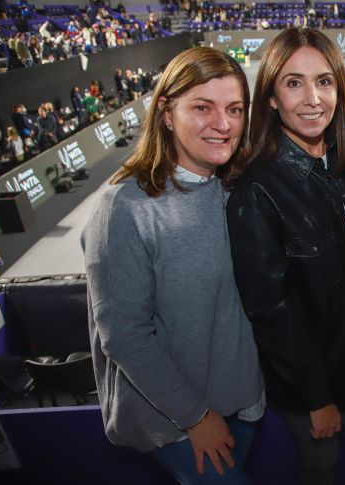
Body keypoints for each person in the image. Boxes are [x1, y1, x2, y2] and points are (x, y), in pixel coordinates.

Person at [82, 47, 265, 485]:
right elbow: (123, 335)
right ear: (166, 112)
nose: (222, 124)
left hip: (241, 402)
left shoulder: (234, 190)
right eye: (203, 107)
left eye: (234, 109)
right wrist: (195, 418)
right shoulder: (124, 206)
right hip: (178, 421)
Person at [225, 28, 345, 485]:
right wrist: (317, 396)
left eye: (324, 81)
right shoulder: (256, 189)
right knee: (320, 470)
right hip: (309, 378)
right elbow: (271, 310)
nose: (312, 98)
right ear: (272, 98)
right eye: (293, 82)